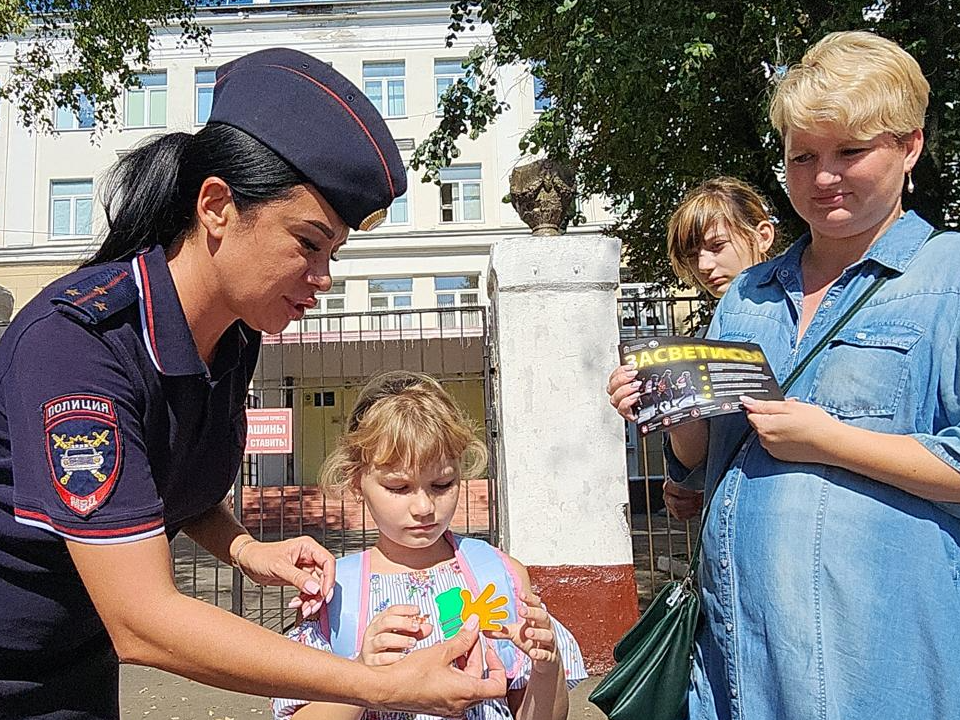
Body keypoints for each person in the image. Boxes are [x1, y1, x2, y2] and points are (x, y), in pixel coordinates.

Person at [0, 49, 506, 720]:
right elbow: (142, 619)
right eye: (307, 243)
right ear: (216, 207)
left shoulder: (232, 337)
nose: (324, 278)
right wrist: (380, 683)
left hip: (77, 666)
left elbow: (166, 484)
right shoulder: (79, 344)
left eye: (332, 254)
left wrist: (243, 548)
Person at [615, 30, 960, 719]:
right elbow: (699, 463)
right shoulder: (748, 295)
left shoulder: (946, 277)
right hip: (735, 665)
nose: (823, 176)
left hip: (879, 666)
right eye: (803, 156)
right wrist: (667, 406)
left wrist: (827, 440)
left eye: (850, 152)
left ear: (910, 146)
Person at [273, 371, 586, 720]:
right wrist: (363, 676)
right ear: (357, 481)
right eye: (398, 487)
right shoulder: (336, 593)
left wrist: (547, 667)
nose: (423, 508)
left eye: (441, 484)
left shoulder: (501, 575)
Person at [609, 177, 776, 520]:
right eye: (694, 254)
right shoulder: (708, 333)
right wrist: (663, 404)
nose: (703, 266)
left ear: (763, 235)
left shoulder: (806, 316)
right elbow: (698, 462)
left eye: (717, 246)